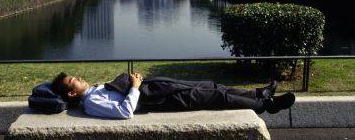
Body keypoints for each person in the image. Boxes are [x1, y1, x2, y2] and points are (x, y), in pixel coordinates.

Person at [51, 72, 295, 119]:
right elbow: (124, 112)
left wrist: (136, 81)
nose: (79, 78)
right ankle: (266, 104)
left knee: (212, 85)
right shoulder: (92, 102)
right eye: (74, 81)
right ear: (72, 93)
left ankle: (258, 93)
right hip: (159, 100)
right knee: (215, 97)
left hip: (156, 89)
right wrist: (135, 85)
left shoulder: (93, 91)